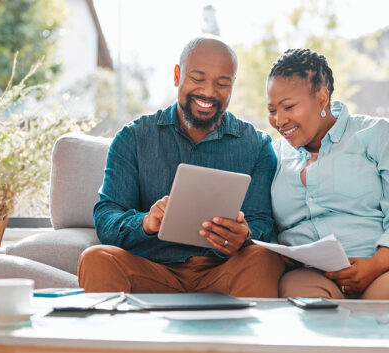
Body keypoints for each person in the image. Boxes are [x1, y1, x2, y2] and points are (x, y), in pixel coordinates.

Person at [78, 37, 285, 298]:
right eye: (198, 79)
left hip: (223, 270)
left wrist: (244, 236)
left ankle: (237, 340)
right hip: (151, 269)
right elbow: (107, 215)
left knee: (264, 257)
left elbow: (262, 222)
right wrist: (144, 222)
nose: (209, 92)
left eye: (222, 84)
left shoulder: (256, 145)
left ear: (232, 86)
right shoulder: (133, 137)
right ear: (177, 76)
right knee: (96, 258)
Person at [267, 48, 389, 299]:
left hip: (379, 266)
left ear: (322, 97)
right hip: (309, 273)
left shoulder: (375, 135)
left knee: (380, 310)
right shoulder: (274, 155)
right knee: (312, 314)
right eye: (271, 110)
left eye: (288, 106)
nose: (279, 120)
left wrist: (375, 265)